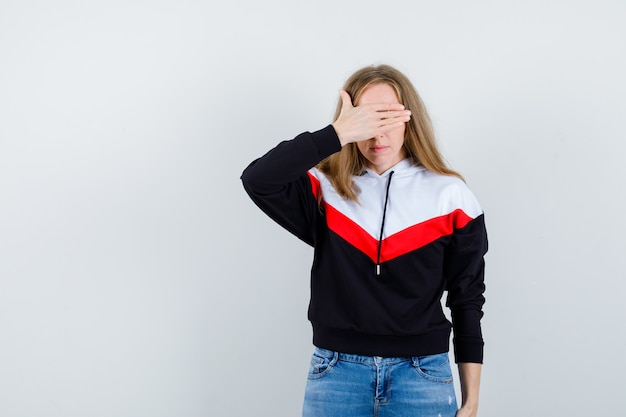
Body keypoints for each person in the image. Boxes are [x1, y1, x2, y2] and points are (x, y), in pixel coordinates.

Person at [241, 64, 488, 417]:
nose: (377, 133)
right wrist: (335, 134)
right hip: (336, 373)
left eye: (386, 116)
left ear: (409, 118)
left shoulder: (452, 196)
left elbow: (467, 299)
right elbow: (257, 179)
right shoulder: (324, 189)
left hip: (421, 376)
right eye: (366, 119)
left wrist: (472, 400)